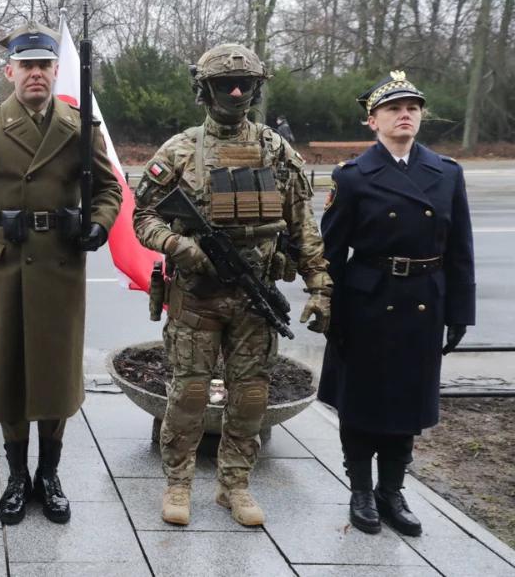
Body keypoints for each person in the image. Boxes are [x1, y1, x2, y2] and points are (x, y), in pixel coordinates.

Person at [133, 44, 331, 527]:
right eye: (225, 84)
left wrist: (320, 284)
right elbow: (143, 217)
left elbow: (302, 223)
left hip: (254, 297)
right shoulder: (180, 149)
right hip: (197, 295)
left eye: (245, 84)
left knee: (250, 395)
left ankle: (234, 485)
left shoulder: (276, 150)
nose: (236, 92)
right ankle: (178, 483)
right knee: (189, 394)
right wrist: (183, 249)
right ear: (205, 90)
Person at [0, 22, 121, 526]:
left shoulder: (79, 125)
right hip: (5, 269)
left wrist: (95, 225)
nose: (36, 75)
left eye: (44, 65)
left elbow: (110, 190)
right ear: (10, 72)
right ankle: (16, 477)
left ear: (55, 70)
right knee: (9, 377)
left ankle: (50, 473)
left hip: (61, 266)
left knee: (55, 376)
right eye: (26, 66)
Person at [317, 71, 475, 537]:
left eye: (413, 107)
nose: (405, 114)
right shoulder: (352, 177)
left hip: (425, 299)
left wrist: (460, 312)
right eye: (393, 109)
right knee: (362, 400)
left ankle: (392, 490)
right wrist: (328, 306)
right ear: (373, 121)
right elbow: (329, 252)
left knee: (407, 400)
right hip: (367, 302)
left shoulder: (447, 173)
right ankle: (361, 490)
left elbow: (460, 250)